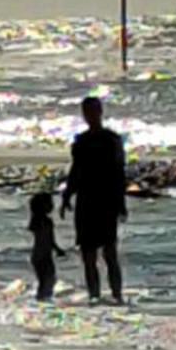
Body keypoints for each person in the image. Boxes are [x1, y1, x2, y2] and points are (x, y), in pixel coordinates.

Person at [61, 95, 128, 304]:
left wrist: (121, 203)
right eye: (86, 112)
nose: (90, 116)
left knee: (110, 253)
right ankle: (94, 296)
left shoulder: (112, 140)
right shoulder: (80, 142)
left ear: (100, 112)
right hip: (86, 201)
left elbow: (119, 173)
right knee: (88, 255)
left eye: (93, 111)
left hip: (106, 200)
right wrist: (67, 195)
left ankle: (117, 296)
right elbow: (76, 171)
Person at [27, 191, 60, 303]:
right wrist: (56, 248)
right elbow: (49, 239)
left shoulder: (39, 221)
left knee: (47, 278)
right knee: (48, 278)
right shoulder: (42, 221)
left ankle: (43, 297)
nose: (52, 206)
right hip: (42, 255)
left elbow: (50, 239)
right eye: (49, 203)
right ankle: (43, 298)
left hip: (41, 254)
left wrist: (57, 249)